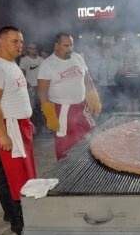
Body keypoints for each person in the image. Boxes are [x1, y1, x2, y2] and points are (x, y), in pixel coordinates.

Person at [0, 26, 36, 235]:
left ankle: (11, 213)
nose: (19, 45)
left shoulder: (12, 64)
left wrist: (27, 119)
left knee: (12, 174)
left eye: (21, 41)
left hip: (19, 126)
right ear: (1, 41)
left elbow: (16, 96)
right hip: (6, 128)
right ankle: (17, 221)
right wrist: (2, 134)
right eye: (14, 41)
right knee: (11, 176)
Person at [38, 32, 101, 160]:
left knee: (89, 139)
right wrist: (49, 114)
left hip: (81, 108)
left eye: (71, 45)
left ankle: (86, 169)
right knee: (66, 146)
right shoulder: (47, 64)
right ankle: (67, 175)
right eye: (66, 46)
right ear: (56, 46)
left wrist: (94, 99)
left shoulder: (78, 57)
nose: (70, 49)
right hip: (62, 111)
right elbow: (42, 91)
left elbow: (87, 80)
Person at [19, 42, 44, 134]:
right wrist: (27, 84)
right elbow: (20, 73)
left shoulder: (41, 60)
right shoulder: (24, 60)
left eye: (35, 48)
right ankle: (32, 128)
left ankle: (40, 127)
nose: (33, 50)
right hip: (30, 87)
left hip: (41, 87)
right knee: (31, 108)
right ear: (28, 49)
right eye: (31, 48)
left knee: (42, 107)